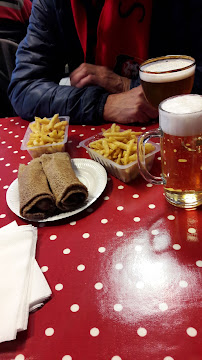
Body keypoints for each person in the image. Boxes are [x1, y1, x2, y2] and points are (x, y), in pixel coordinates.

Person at [8, 0, 202, 125]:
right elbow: (24, 88)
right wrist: (105, 104)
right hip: (95, 150)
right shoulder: (53, 4)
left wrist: (122, 84)